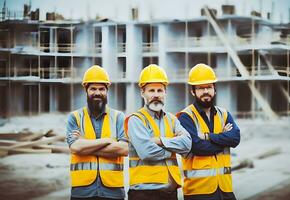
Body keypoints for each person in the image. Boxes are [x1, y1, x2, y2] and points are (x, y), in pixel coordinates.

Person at [125, 64, 192, 200]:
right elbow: (146, 152)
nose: (156, 95)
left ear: (165, 93)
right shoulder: (136, 120)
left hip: (170, 192)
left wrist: (160, 141)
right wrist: (173, 149)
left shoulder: (172, 119)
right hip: (143, 193)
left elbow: (187, 144)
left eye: (160, 90)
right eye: (151, 91)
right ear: (142, 93)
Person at [177, 63, 240, 200]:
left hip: (226, 190)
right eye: (200, 88)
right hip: (199, 191)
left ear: (214, 89)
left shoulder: (224, 114)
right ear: (192, 91)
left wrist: (208, 136)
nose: (206, 91)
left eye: (209, 87)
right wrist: (223, 140)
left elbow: (235, 138)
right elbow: (197, 147)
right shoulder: (185, 116)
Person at [66, 65, 128, 200]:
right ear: (86, 90)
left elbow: (124, 149)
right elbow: (75, 147)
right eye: (93, 88)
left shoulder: (118, 117)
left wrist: (85, 145)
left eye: (101, 89)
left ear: (107, 91)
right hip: (82, 192)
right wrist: (108, 141)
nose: (97, 92)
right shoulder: (75, 117)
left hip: (113, 191)